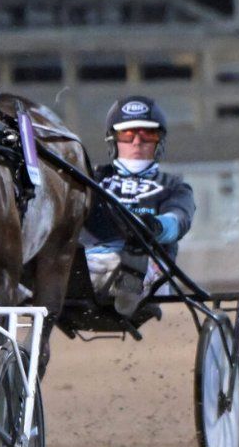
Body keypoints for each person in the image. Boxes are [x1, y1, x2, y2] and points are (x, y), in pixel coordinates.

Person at [83, 94, 195, 317]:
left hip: (148, 261)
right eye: (127, 134)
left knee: (135, 262)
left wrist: (154, 226)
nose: (137, 142)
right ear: (113, 140)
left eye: (147, 135)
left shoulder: (174, 186)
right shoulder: (91, 179)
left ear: (159, 142)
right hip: (90, 261)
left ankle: (130, 284)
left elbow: (179, 219)